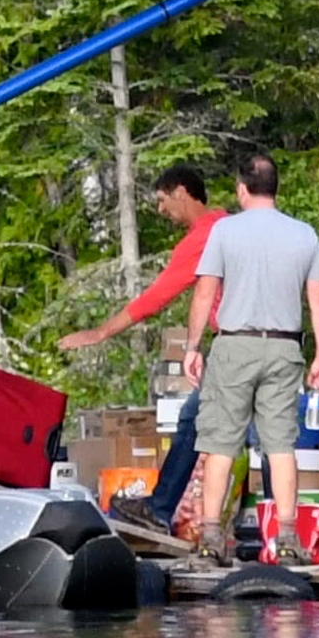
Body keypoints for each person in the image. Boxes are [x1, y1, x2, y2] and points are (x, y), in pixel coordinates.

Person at [170, 158, 319, 556]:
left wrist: (192, 348)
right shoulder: (304, 234)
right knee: (280, 446)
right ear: (275, 188)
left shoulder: (225, 231)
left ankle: (210, 540)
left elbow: (205, 292)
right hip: (284, 348)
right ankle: (289, 539)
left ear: (242, 188)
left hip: (234, 345)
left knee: (221, 444)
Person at [61, 160, 222, 520]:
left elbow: (155, 298)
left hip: (233, 347)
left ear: (182, 192)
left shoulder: (203, 238)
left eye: (163, 201)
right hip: (271, 342)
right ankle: (283, 524)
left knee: (195, 422)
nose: (161, 210)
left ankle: (160, 509)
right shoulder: (233, 224)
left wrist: (100, 332)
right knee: (268, 439)